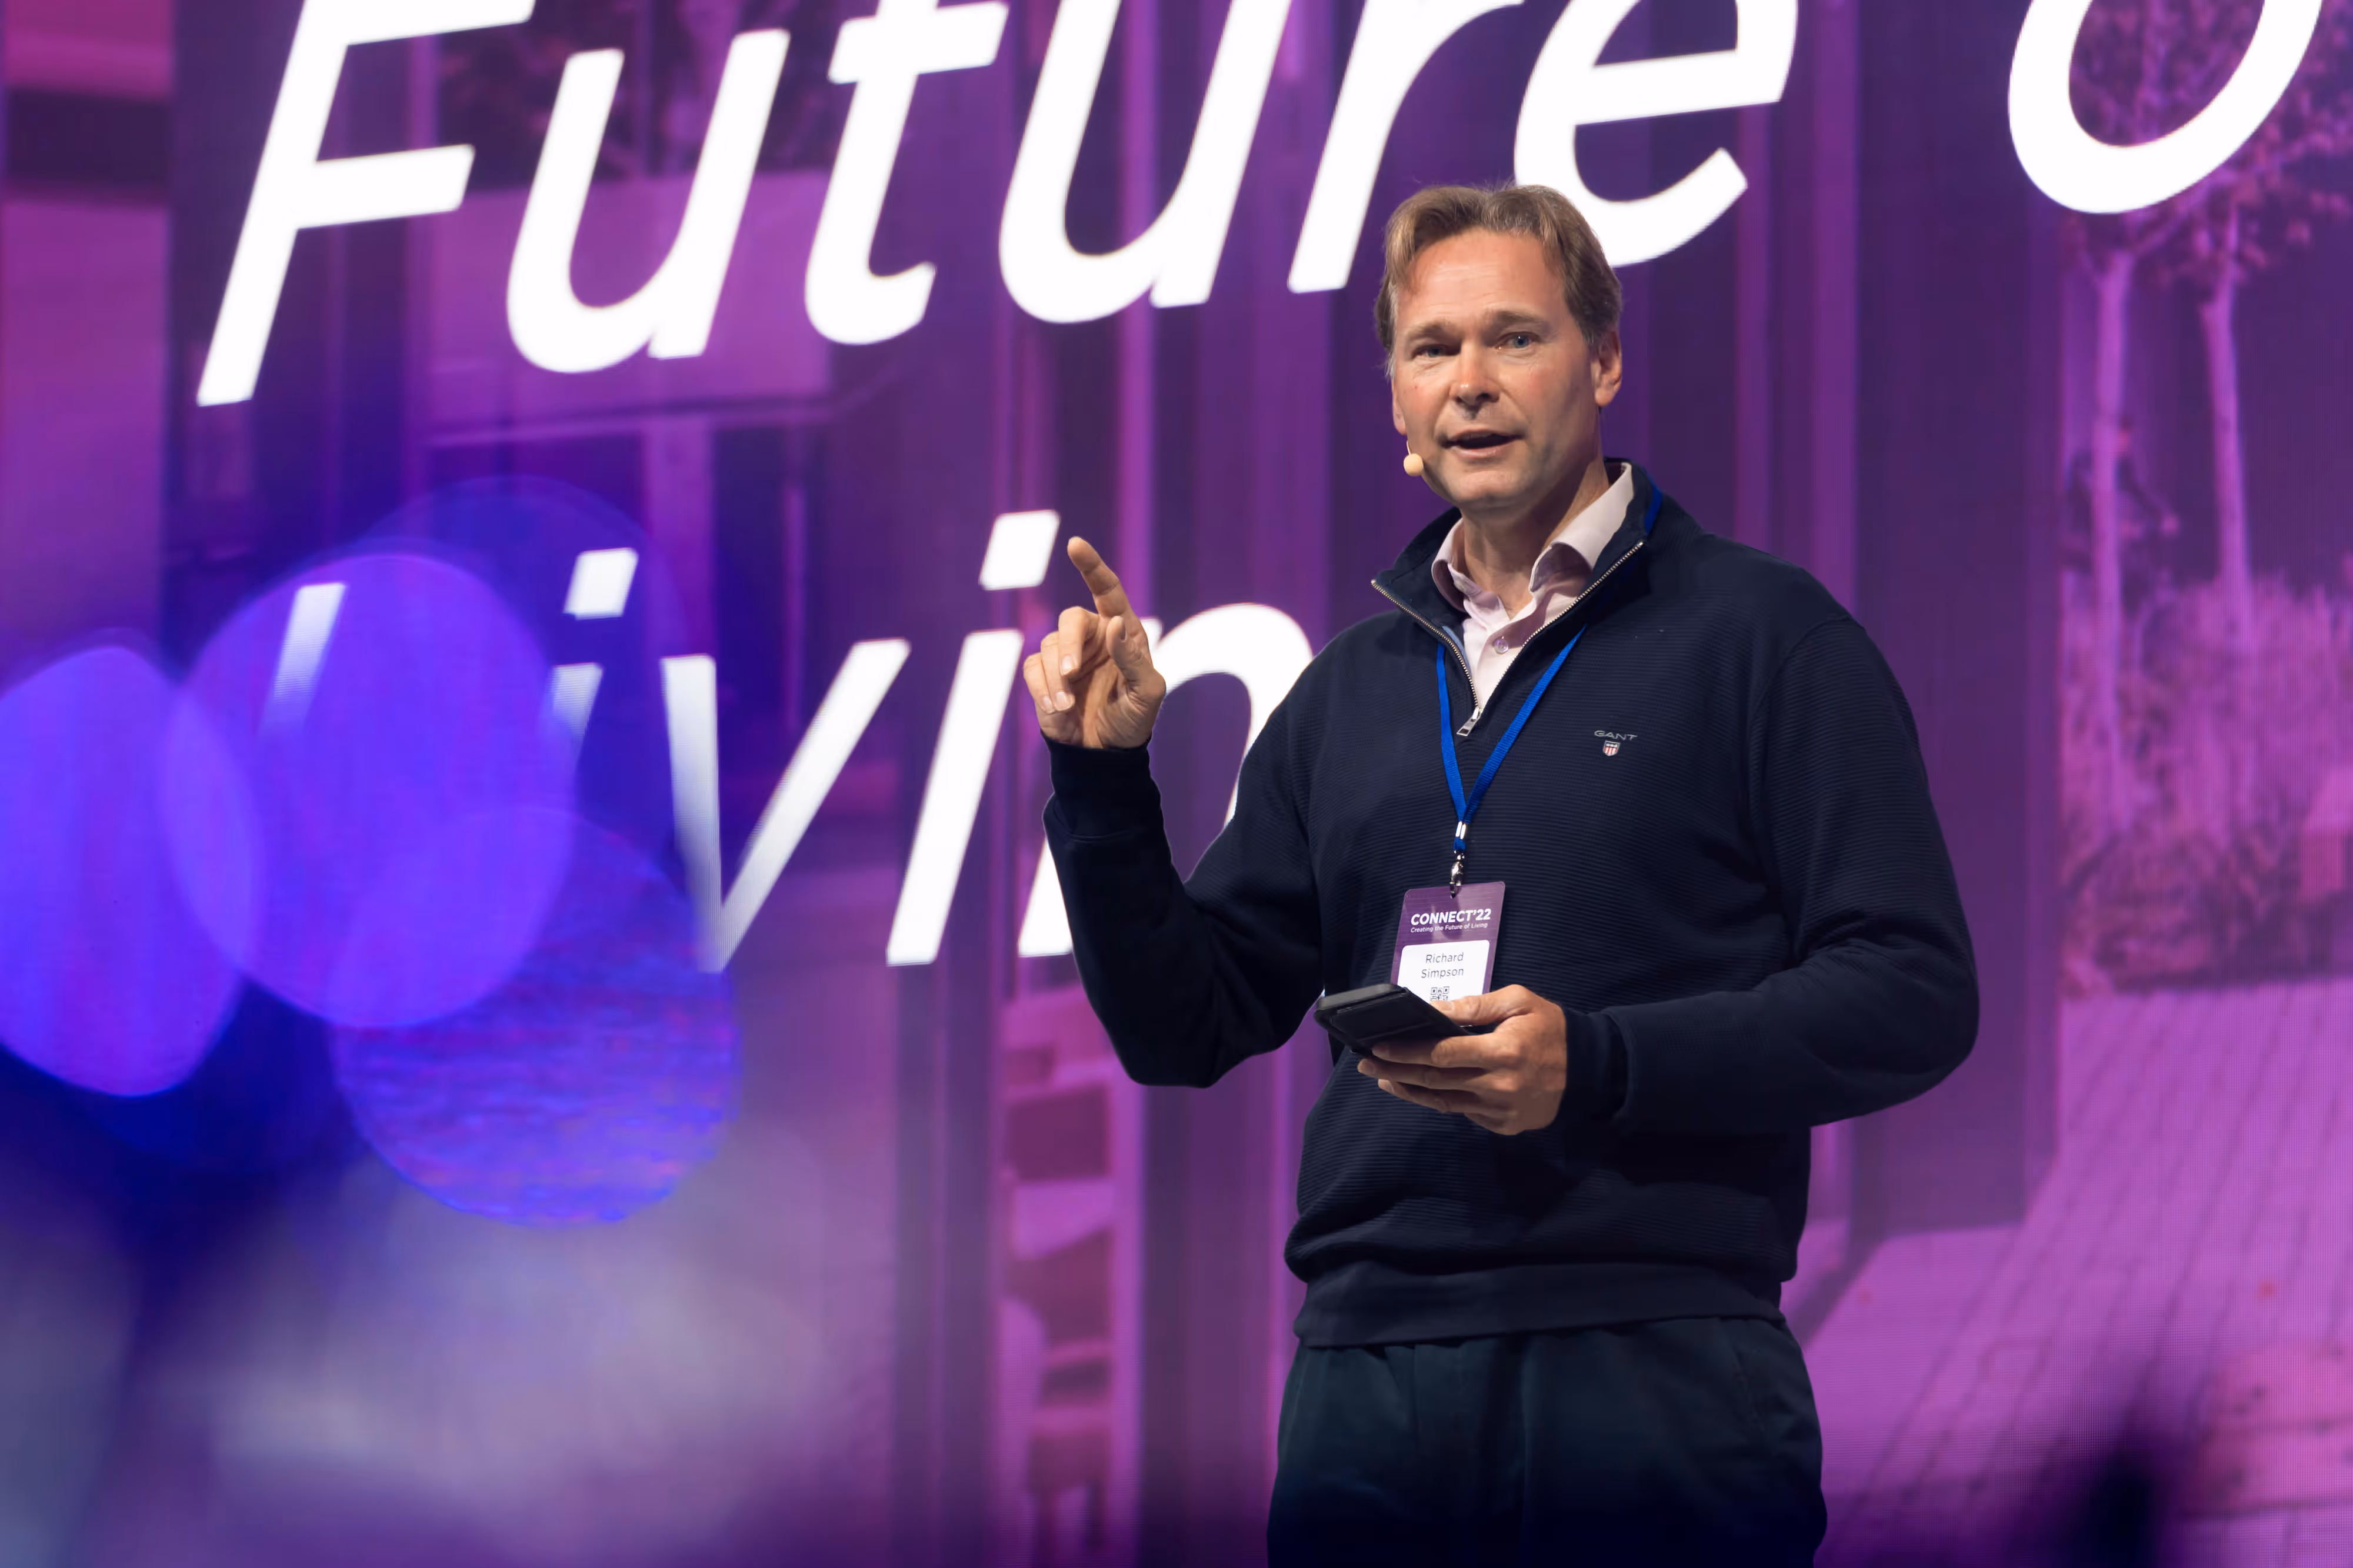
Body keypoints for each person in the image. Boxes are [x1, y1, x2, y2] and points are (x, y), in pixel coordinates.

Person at [1021, 183, 1978, 1566]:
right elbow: (1186, 1027)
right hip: (1367, 1381)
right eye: (1431, 348)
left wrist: (1594, 1064)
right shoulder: (1344, 694)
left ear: (1602, 361)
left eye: (1513, 338)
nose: (1467, 380)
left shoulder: (1764, 638)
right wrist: (1102, 781)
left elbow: (1910, 990)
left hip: (1653, 1361)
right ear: (1396, 405)